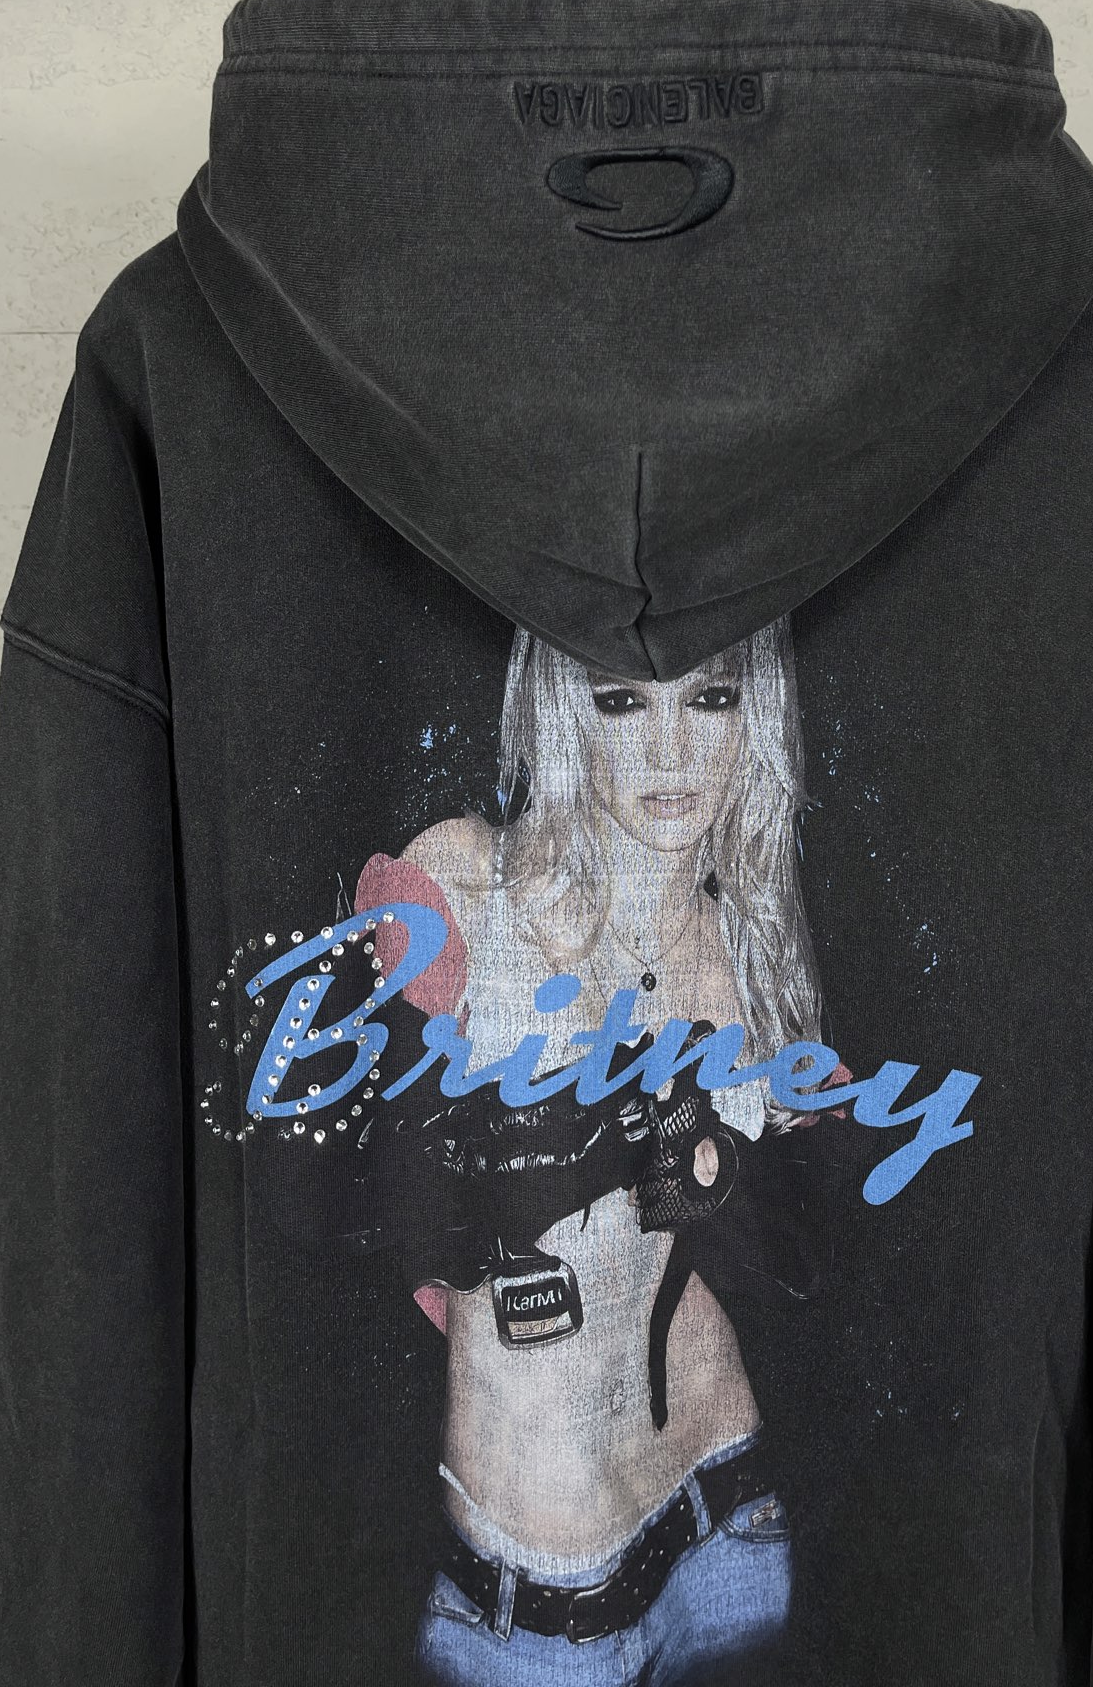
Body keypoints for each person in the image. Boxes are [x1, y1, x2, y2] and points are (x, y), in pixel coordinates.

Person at [354, 615, 828, 1685]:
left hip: (729, 1518)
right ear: (564, 708)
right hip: (524, 1591)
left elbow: (791, 1259)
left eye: (712, 698)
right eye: (622, 700)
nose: (671, 750)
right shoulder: (461, 884)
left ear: (758, 714)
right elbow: (371, 1218)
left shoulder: (751, 944)